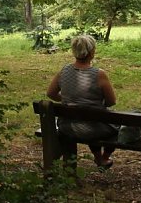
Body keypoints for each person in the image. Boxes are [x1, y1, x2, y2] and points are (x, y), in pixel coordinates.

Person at [47, 34, 118, 169]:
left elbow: (50, 93)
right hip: (92, 127)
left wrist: (69, 99)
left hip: (67, 126)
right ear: (91, 52)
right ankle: (104, 157)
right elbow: (111, 101)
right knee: (113, 127)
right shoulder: (99, 74)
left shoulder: (64, 71)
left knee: (92, 122)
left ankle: (98, 159)